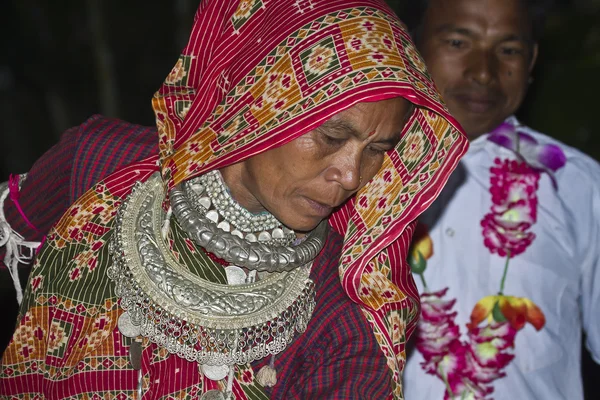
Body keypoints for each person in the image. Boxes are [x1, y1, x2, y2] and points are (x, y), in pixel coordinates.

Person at [0, 1, 468, 398]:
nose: (350, 175)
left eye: (378, 150)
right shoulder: (99, 163)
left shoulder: (342, 307)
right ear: (259, 103)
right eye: (330, 136)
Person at [402, 0, 600, 399]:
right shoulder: (353, 171)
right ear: (411, 44)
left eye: (508, 50)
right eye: (458, 42)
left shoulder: (579, 185)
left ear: (532, 61)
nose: (483, 72)